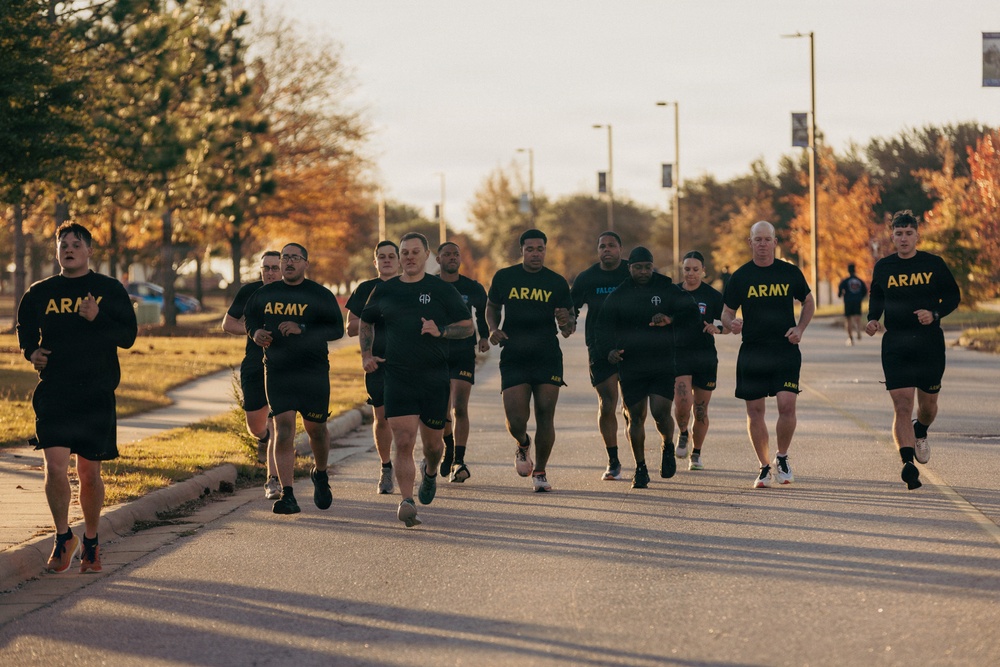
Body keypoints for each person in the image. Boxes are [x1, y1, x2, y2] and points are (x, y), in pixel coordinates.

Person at [16, 222, 138, 574]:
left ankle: (92, 540)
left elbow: (128, 336)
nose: (69, 249)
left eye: (76, 244)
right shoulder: (39, 292)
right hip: (55, 391)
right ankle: (63, 536)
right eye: (63, 244)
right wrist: (30, 351)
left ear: (89, 251)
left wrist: (98, 317)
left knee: (88, 473)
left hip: (96, 392)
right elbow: (25, 327)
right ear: (57, 251)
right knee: (55, 466)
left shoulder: (108, 290)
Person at [360, 233, 473, 526]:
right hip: (398, 376)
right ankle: (407, 501)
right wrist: (366, 354)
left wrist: (441, 330)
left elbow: (467, 327)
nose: (409, 257)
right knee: (404, 440)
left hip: (434, 377)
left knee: (433, 447)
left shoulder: (441, 289)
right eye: (404, 253)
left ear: (426, 256)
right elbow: (366, 320)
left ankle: (431, 472)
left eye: (414, 252)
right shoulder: (386, 290)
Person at [244, 243, 345, 515]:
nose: (289, 262)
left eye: (295, 258)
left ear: (305, 264)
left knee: (317, 431)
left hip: (313, 373)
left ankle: (320, 473)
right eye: (285, 257)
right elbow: (250, 318)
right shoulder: (265, 294)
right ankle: (287, 494)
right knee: (284, 429)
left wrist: (302, 328)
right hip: (278, 371)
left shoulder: (319, 294)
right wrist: (255, 333)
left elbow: (337, 329)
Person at [865, 210, 961, 490]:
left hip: (929, 343)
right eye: (899, 233)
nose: (904, 238)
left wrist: (934, 313)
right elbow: (877, 296)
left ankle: (921, 429)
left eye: (908, 233)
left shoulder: (933, 264)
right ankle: (908, 464)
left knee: (928, 406)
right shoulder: (884, 267)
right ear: (892, 236)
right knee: (902, 405)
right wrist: (873, 319)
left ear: (917, 235)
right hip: (896, 343)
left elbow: (953, 296)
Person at [596, 247, 700, 487]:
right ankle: (640, 468)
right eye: (638, 267)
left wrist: (671, 319)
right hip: (631, 363)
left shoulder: (666, 288)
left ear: (652, 266)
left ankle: (667, 444)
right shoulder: (620, 294)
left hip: (662, 361)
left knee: (660, 412)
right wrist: (609, 351)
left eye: (647, 267)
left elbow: (691, 312)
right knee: (635, 417)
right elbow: (602, 327)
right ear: (629, 268)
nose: (643, 272)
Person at [722, 221, 814, 489]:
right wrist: (731, 323)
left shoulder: (789, 272)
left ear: (775, 242)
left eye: (767, 239)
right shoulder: (741, 276)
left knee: (787, 406)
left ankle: (782, 458)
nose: (762, 244)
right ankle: (763, 467)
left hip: (784, 349)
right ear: (750, 242)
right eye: (757, 239)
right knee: (755, 411)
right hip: (753, 350)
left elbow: (808, 301)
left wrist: (800, 328)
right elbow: (726, 312)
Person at [486, 229, 576, 493]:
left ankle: (540, 472)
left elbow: (568, 325)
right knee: (516, 420)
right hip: (514, 355)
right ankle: (523, 443)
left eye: (540, 249)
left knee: (545, 414)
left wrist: (566, 322)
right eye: (530, 249)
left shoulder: (556, 282)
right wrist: (493, 328)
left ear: (545, 250)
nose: (535, 254)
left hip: (546, 355)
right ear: (522, 251)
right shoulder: (505, 277)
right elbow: (492, 306)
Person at [570, 231, 632, 480]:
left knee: (632, 406)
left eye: (611, 245)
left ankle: (635, 440)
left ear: (620, 248)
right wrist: (568, 322)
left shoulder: (631, 272)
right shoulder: (587, 278)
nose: (607, 249)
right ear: (597, 250)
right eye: (602, 246)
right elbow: (571, 307)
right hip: (599, 347)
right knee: (607, 404)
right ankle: (613, 460)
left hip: (632, 345)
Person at [222, 251, 282, 500]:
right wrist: (253, 332)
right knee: (256, 427)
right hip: (254, 364)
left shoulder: (293, 293)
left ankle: (273, 481)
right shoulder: (250, 292)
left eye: (275, 268)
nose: (270, 272)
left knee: (276, 423)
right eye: (266, 268)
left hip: (283, 366)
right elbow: (228, 323)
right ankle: (263, 439)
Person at [345, 240, 400, 495]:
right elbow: (350, 327)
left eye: (391, 256)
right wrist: (376, 317)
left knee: (411, 418)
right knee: (382, 417)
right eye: (382, 256)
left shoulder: (410, 286)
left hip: (409, 362)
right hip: (377, 362)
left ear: (399, 260)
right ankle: (386, 467)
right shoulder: (366, 289)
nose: (387, 260)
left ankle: (417, 461)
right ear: (375, 262)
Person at [436, 241, 491, 482]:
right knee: (442, 408)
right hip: (436, 352)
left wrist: (484, 337)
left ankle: (459, 459)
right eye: (447, 254)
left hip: (463, 351)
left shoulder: (472, 287)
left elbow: (482, 313)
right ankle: (448, 446)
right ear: (438, 259)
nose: (452, 257)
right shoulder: (430, 285)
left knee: (459, 406)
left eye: (455, 254)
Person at [672, 250, 729, 471]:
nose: (691, 273)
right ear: (682, 269)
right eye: (687, 269)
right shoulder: (673, 293)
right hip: (679, 354)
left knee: (701, 410)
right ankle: (683, 433)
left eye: (695, 269)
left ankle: (696, 453)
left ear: (703, 271)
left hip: (705, 358)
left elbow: (729, 323)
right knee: (682, 402)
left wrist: (719, 328)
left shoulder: (713, 296)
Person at [838, 263, 868, 346]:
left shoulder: (845, 281)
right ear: (855, 270)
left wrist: (840, 294)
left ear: (848, 270)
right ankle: (858, 330)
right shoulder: (860, 281)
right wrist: (860, 297)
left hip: (848, 301)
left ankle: (850, 337)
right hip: (857, 301)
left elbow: (840, 289)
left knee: (848, 319)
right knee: (857, 317)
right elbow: (865, 291)